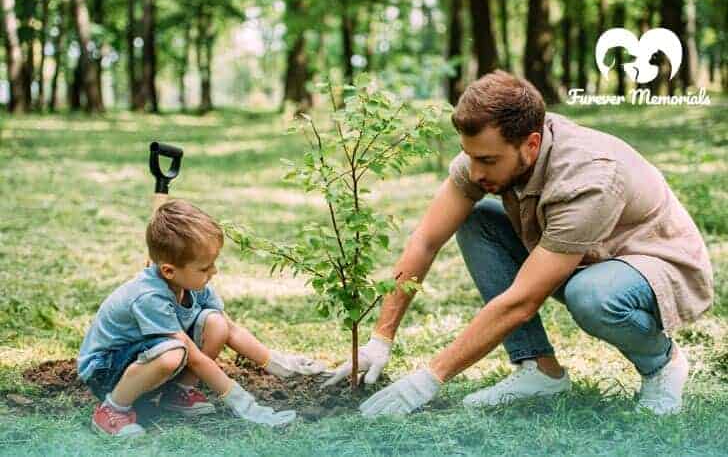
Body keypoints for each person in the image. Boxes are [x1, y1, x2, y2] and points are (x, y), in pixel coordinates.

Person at [324, 70, 713, 417]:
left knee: (590, 295)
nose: (475, 172)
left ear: (530, 144)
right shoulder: (486, 157)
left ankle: (661, 364)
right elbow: (426, 239)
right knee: (477, 222)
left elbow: (523, 301)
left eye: (488, 161)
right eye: (469, 156)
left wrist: (430, 376)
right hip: (584, 255)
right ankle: (539, 371)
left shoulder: (588, 178)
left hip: (654, 264)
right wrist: (380, 337)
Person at [77, 200, 325, 437]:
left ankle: (178, 392)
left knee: (216, 323)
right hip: (106, 371)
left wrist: (277, 364)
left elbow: (231, 329)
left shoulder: (191, 283)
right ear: (168, 271)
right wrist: (246, 405)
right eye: (205, 268)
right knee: (173, 352)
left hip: (143, 360)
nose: (213, 272)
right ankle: (112, 409)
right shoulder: (149, 296)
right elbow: (193, 358)